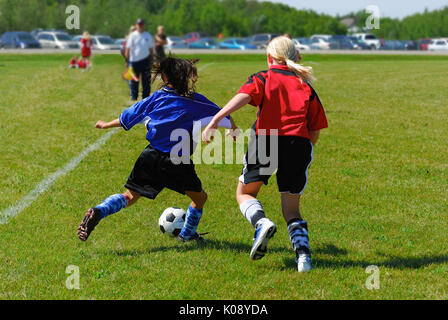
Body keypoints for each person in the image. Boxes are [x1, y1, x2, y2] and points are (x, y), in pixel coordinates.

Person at [77, 57, 239, 243]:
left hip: (150, 156)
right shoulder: (196, 101)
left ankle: (99, 211)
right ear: (186, 77)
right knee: (200, 198)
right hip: (178, 161)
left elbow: (127, 117)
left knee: (129, 197)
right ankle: (187, 235)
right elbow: (223, 112)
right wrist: (233, 128)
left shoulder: (155, 98)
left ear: (164, 77)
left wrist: (106, 124)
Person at [202, 36, 328, 272]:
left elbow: (245, 96)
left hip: (266, 138)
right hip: (298, 144)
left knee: (245, 193)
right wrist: (303, 148)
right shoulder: (305, 85)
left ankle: (261, 223)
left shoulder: (264, 77)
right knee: (291, 209)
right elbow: (315, 128)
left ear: (270, 57)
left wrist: (217, 119)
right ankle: (303, 259)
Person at [125, 18, 154, 101]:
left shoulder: (147, 35)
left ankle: (146, 97)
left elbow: (151, 49)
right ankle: (134, 96)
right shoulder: (133, 35)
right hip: (134, 61)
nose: (140, 26)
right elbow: (128, 49)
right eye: (138, 24)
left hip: (146, 61)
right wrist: (127, 61)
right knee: (134, 80)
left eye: (141, 24)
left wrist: (152, 60)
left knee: (146, 80)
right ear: (136, 25)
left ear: (143, 25)